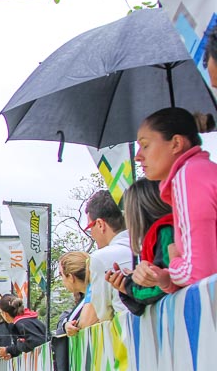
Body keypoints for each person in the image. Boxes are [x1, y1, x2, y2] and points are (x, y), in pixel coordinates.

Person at [132, 107, 217, 292]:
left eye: (145, 145)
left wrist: (175, 260)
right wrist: (163, 278)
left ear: (176, 143)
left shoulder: (189, 176)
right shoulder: (198, 171)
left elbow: (200, 274)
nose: (138, 156)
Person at [104, 180, 174, 316]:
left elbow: (159, 287)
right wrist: (132, 281)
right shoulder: (161, 233)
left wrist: (129, 286)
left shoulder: (166, 231)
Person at [78, 190, 133, 328]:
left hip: (126, 335)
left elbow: (102, 314)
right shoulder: (147, 244)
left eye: (90, 227)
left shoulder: (101, 258)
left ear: (100, 224)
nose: (92, 234)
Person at [0, 294, 47, 360]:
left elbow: (35, 342)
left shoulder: (20, 324)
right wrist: (8, 350)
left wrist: (19, 344)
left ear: (5, 314)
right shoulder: (30, 319)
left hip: (41, 361)